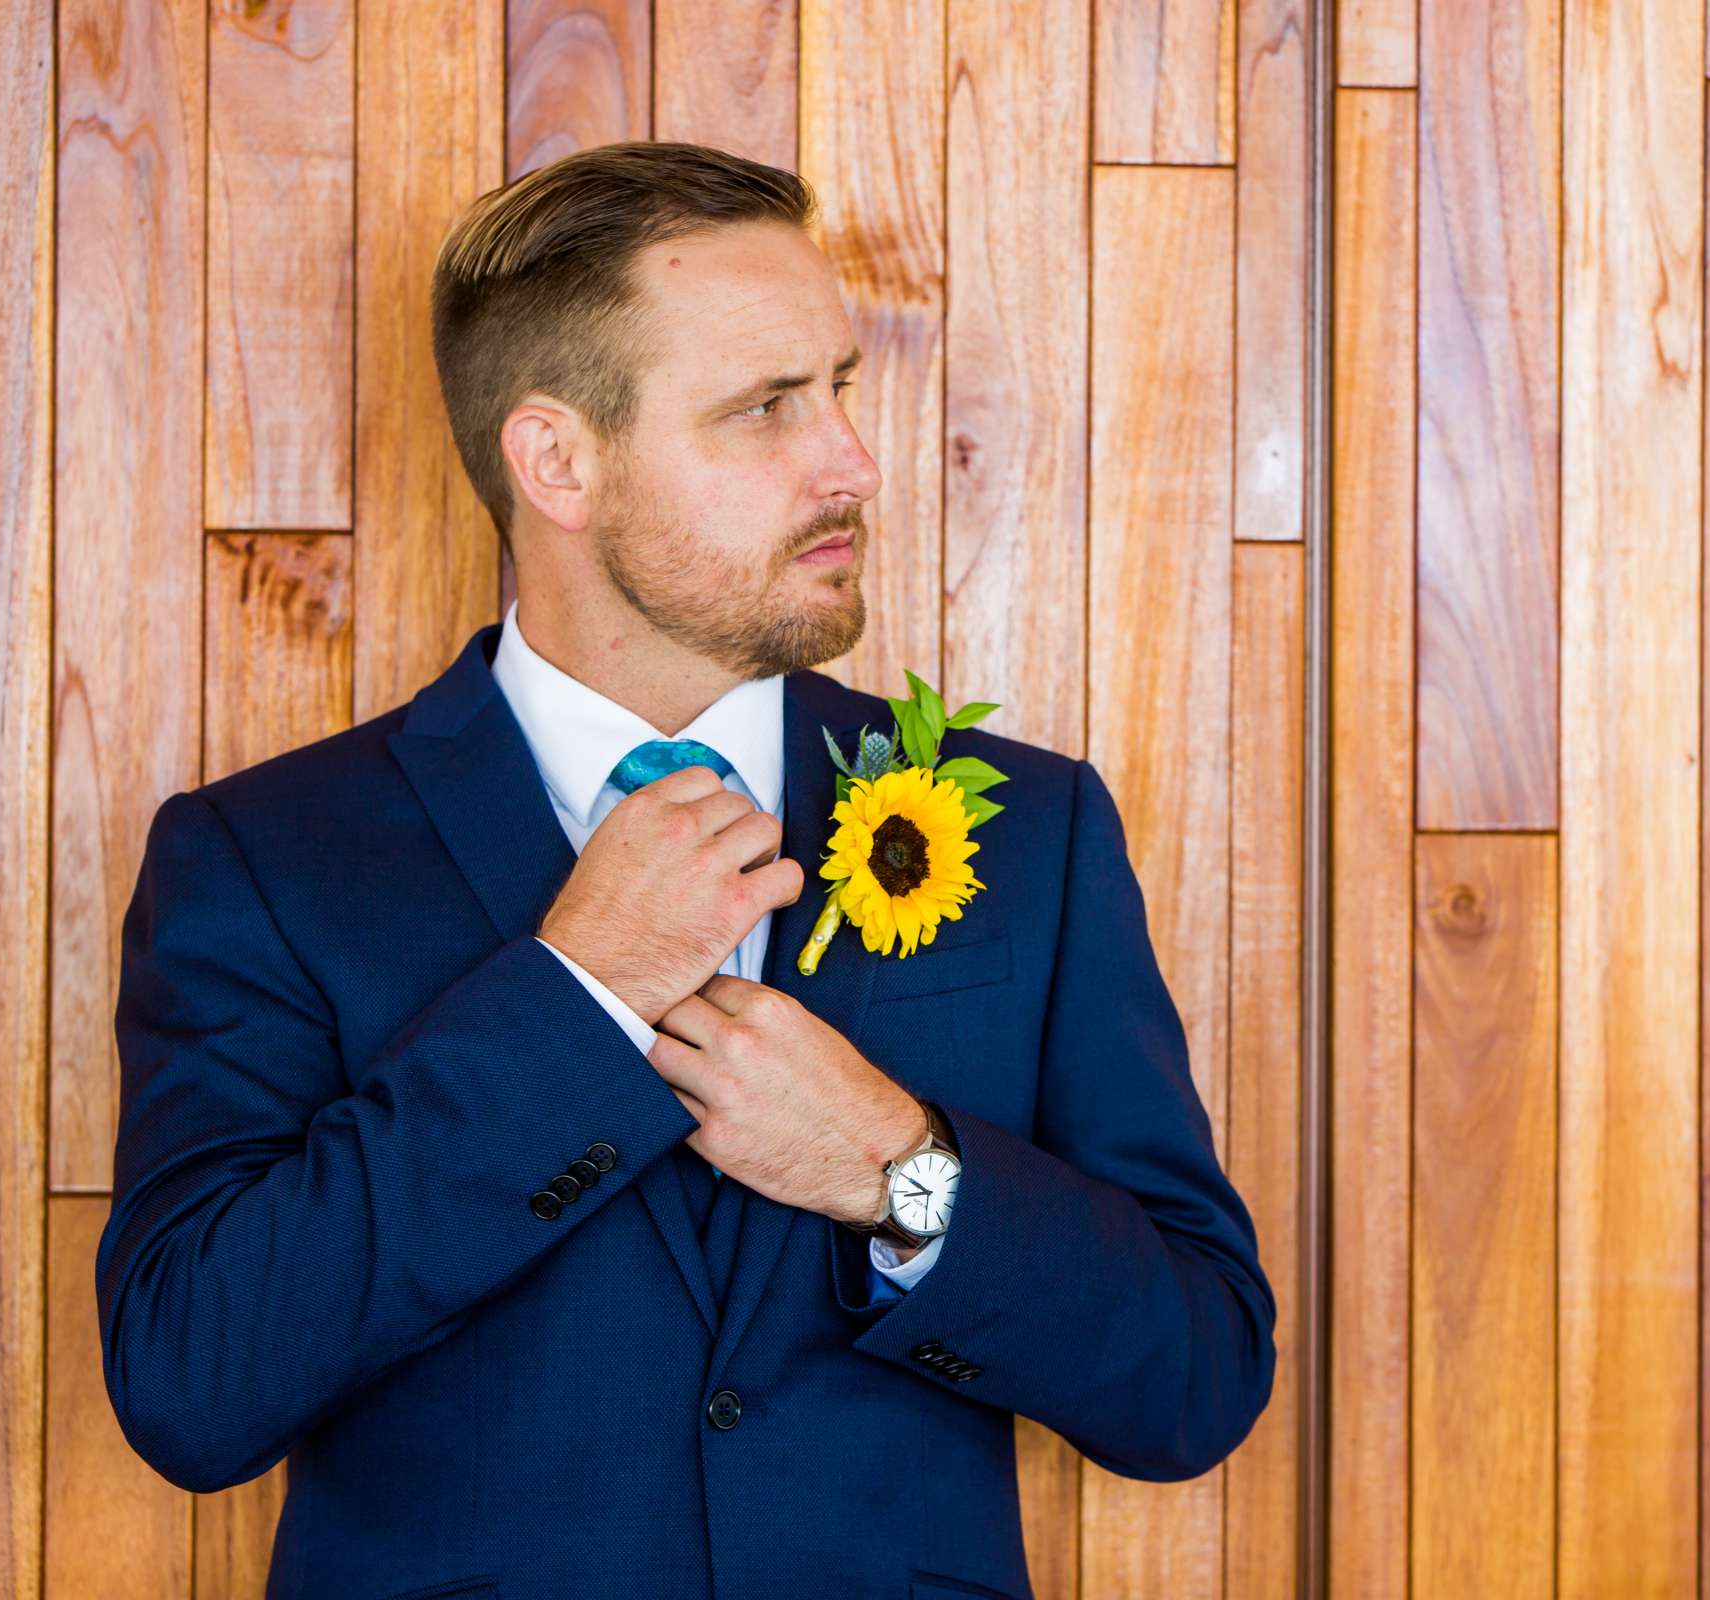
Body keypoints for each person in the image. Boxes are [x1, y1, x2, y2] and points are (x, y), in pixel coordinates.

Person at [96, 140, 1274, 1599]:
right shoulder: (261, 860)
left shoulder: (1037, 830)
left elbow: (1196, 1378)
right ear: (559, 461)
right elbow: (194, 1382)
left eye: (841, 386)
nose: (852, 459)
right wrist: (577, 999)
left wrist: (899, 1174)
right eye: (765, 408)